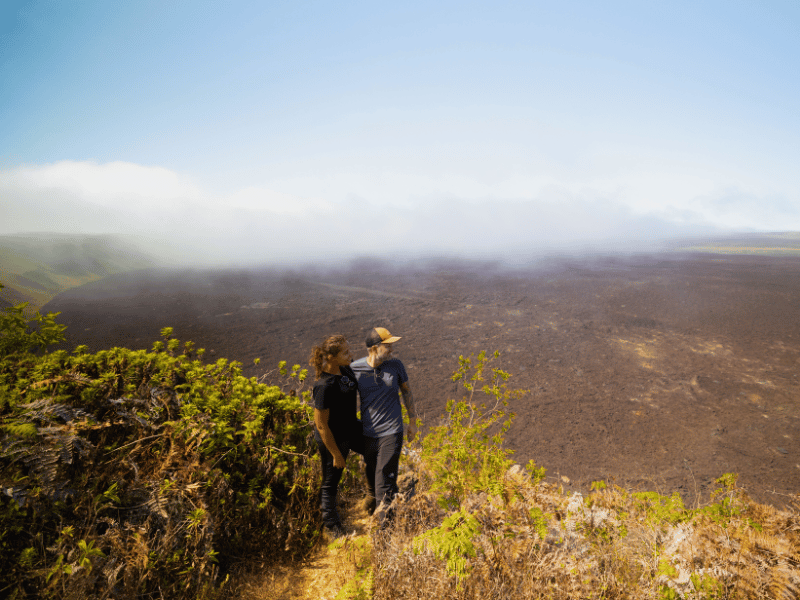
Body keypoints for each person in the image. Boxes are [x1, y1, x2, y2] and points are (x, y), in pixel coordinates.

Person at [350, 327, 418, 525]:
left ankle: (384, 531)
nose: (392, 349)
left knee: (383, 480)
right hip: (369, 433)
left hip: (392, 431)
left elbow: (406, 391)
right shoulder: (356, 369)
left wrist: (412, 421)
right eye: (387, 346)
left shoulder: (396, 366)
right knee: (372, 473)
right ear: (374, 348)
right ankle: (379, 510)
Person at [309, 335, 364, 538]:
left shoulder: (346, 370)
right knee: (331, 481)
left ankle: (373, 498)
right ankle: (332, 527)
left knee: (375, 448)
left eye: (349, 350)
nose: (350, 354)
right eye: (346, 353)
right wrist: (336, 454)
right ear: (331, 357)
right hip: (333, 438)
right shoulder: (324, 386)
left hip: (351, 428)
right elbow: (321, 425)